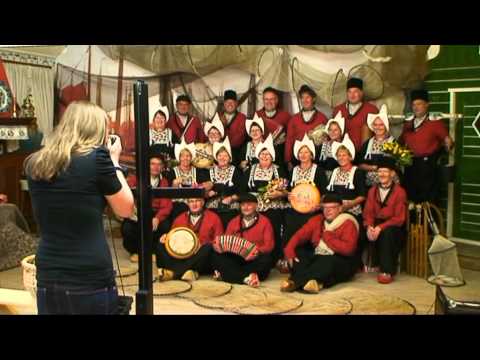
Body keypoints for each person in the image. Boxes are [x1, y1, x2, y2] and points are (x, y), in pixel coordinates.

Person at [25, 101, 134, 315]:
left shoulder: (33, 163)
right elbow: (125, 209)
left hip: (49, 272)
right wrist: (114, 161)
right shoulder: (98, 159)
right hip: (88, 274)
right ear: (96, 130)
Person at [281, 194, 359, 293]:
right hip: (319, 255)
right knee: (299, 253)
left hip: (340, 259)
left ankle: (295, 282)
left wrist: (328, 237)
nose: (328, 211)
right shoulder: (318, 219)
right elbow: (300, 235)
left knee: (327, 261)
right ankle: (315, 282)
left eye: (332, 208)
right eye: (325, 208)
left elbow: (348, 250)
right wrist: (289, 250)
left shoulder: (348, 222)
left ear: (340, 209)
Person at [241, 134, 289, 264]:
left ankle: (274, 258)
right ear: (258, 156)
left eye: (268, 154)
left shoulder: (279, 170)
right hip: (254, 205)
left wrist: (279, 194)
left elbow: (286, 190)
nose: (265, 157)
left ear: (272, 156)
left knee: (274, 225)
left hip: (273, 205)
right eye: (262, 154)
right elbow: (242, 190)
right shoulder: (250, 170)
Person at [399, 89, 453, 204]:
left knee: (428, 201)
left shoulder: (435, 122)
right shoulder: (408, 123)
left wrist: (447, 144)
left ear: (427, 105)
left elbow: (447, 140)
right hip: (411, 166)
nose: (416, 107)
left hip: (428, 167)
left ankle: (427, 221)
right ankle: (413, 222)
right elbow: (401, 141)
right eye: (413, 104)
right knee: (410, 199)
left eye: (419, 104)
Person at [283, 134, 327, 270]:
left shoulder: (318, 170)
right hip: (295, 209)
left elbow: (324, 193)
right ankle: (288, 259)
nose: (303, 155)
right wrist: (288, 196)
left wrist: (318, 205)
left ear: (311, 154)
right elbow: (289, 190)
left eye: (306, 152)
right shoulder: (294, 170)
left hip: (312, 210)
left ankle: (306, 260)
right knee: (289, 224)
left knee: (308, 230)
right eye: (300, 152)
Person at [211, 193, 275, 287]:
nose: (246, 207)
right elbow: (225, 241)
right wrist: (219, 246)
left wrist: (255, 251)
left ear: (256, 206)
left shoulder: (265, 222)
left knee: (266, 260)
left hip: (254, 258)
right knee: (216, 256)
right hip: (237, 258)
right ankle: (246, 278)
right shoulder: (234, 222)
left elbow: (269, 246)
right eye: (243, 205)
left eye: (249, 204)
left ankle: (228, 275)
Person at [121, 152, 172, 263]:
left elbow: (166, 204)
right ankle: (135, 252)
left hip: (154, 213)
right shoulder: (136, 179)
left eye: (159, 164)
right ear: (147, 165)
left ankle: (153, 252)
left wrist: (158, 218)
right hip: (137, 213)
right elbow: (127, 198)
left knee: (165, 226)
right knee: (127, 228)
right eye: (152, 164)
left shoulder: (164, 181)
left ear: (162, 167)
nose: (155, 167)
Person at [157, 197, 223, 282]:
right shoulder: (179, 219)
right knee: (160, 244)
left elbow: (219, 242)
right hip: (181, 257)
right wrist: (166, 238)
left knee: (209, 247)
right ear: (187, 203)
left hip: (201, 258)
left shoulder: (214, 218)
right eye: (191, 201)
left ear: (203, 202)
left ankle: (173, 273)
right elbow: (173, 240)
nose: (194, 204)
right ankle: (190, 271)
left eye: (197, 201)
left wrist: (201, 246)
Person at [363, 157, 407, 284]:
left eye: (385, 171)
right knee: (361, 231)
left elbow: (399, 218)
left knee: (387, 234)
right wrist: (369, 226)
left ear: (392, 174)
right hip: (376, 223)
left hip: (394, 226)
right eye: (379, 171)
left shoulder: (400, 192)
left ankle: (387, 271)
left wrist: (380, 228)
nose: (382, 174)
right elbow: (368, 212)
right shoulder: (372, 191)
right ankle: (364, 264)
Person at [326, 134, 367, 270]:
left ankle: (352, 263)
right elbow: (329, 194)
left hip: (352, 209)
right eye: (339, 156)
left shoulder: (358, 172)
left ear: (350, 156)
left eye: (344, 155)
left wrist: (348, 205)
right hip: (334, 210)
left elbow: (362, 196)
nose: (342, 158)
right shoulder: (335, 172)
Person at [166, 139, 211, 220]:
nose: (185, 158)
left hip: (196, 205)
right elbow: (168, 194)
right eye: (182, 156)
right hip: (178, 207)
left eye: (188, 156)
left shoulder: (198, 171)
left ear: (191, 157)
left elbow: (209, 184)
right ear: (178, 158)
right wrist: (174, 184)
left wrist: (203, 185)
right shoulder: (172, 172)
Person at [285, 84, 328, 170]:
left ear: (313, 99)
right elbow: (289, 140)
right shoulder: (294, 119)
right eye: (302, 97)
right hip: (297, 159)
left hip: (316, 160)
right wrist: (288, 160)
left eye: (307, 97)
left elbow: (326, 142)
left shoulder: (322, 118)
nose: (305, 100)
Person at [332, 77, 379, 152]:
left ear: (361, 92)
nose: (352, 95)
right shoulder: (338, 110)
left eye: (355, 92)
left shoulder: (372, 110)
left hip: (363, 153)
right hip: (342, 154)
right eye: (349, 92)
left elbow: (379, 133)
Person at [204, 137, 242, 228]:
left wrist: (231, 198)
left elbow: (241, 191)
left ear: (230, 158)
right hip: (212, 207)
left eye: (225, 156)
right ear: (216, 157)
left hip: (231, 206)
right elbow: (203, 190)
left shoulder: (236, 171)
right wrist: (208, 193)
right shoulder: (209, 171)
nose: (222, 158)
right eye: (220, 155)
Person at [357, 104, 397, 187]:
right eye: (375, 125)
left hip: (388, 180)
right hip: (369, 181)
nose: (378, 127)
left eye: (381, 125)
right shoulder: (367, 144)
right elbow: (361, 164)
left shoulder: (393, 143)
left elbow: (397, 166)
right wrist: (375, 168)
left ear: (386, 126)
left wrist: (385, 172)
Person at [256, 87, 291, 171]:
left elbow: (290, 139)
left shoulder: (286, 116)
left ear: (277, 100)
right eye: (266, 99)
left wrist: (288, 159)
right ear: (263, 100)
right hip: (261, 157)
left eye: (272, 99)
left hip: (280, 158)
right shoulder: (257, 115)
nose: (269, 102)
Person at [318, 112, 345, 180]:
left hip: (339, 178)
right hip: (324, 178)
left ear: (341, 131)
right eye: (330, 130)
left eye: (335, 130)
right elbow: (319, 165)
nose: (332, 132)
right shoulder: (324, 145)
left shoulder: (345, 146)